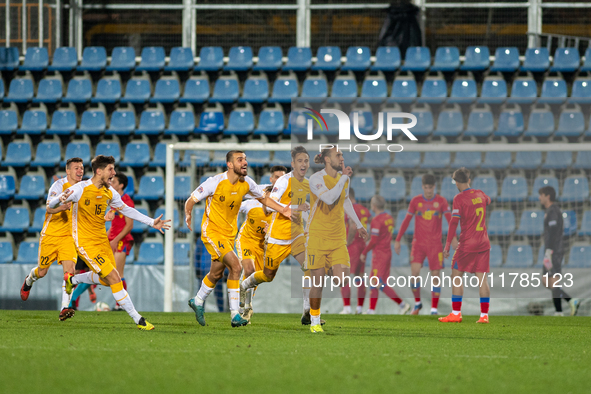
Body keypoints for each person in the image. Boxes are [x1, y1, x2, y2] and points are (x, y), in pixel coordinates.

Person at [49, 155, 170, 330]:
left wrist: (151, 222)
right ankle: (138, 320)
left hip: (102, 241)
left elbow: (127, 210)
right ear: (99, 171)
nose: (113, 173)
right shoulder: (80, 189)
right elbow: (51, 204)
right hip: (85, 242)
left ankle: (72, 279)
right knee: (115, 278)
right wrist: (59, 199)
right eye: (110, 170)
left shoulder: (109, 192)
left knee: (106, 280)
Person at [185, 151, 291, 327]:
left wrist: (282, 210)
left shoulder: (247, 183)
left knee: (216, 273)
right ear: (229, 164)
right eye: (240, 160)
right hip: (212, 232)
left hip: (228, 234)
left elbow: (264, 198)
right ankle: (235, 314)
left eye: (245, 159)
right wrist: (188, 213)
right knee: (236, 266)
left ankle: (197, 300)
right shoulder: (215, 182)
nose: (245, 163)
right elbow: (192, 198)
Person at [238, 147, 315, 324]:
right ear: (293, 164)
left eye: (306, 161)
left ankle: (307, 311)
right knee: (267, 276)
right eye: (300, 161)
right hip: (278, 238)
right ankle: (244, 285)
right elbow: (269, 206)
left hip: (296, 236)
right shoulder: (283, 182)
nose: (303, 164)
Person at [305, 147, 368, 333]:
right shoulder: (316, 179)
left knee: (342, 280)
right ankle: (314, 322)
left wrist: (358, 224)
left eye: (341, 155)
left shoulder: (343, 179)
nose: (341, 158)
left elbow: (345, 200)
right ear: (326, 159)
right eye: (338, 155)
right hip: (317, 236)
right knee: (317, 284)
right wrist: (343, 177)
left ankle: (325, 270)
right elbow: (330, 199)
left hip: (338, 238)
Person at [20, 157, 85, 321]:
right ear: (68, 171)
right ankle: (29, 280)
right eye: (76, 168)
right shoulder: (58, 185)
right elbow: (49, 207)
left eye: (82, 168)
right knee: (42, 272)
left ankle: (64, 307)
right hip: (50, 235)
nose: (80, 171)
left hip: (68, 237)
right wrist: (61, 206)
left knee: (68, 274)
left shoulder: (84, 188)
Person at [394, 174, 457, 315]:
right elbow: (406, 221)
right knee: (414, 274)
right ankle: (418, 303)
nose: (428, 190)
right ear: (423, 187)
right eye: (426, 188)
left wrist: (453, 238)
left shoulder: (441, 201)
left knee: (435, 275)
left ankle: (434, 309)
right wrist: (398, 239)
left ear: (434, 187)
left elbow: (450, 220)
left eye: (431, 188)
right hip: (418, 244)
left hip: (435, 245)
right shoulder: (416, 201)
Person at [439, 168, 491, 324]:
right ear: (469, 179)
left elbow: (454, 222)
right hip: (483, 242)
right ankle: (484, 316)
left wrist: (447, 245)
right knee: (482, 279)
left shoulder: (459, 198)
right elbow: (488, 200)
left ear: (456, 182)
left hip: (468, 243)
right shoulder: (480, 194)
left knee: (456, 276)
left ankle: (456, 313)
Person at [237, 165, 287, 322]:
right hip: (246, 240)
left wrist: (271, 230)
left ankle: (245, 303)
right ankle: (247, 308)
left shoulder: (283, 207)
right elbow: (234, 205)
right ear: (271, 179)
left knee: (257, 277)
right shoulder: (252, 203)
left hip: (262, 246)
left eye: (283, 177)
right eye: (277, 177)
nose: (280, 180)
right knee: (249, 269)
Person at [360, 195, 409, 314]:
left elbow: (374, 240)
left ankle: (402, 304)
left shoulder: (377, 220)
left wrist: (364, 252)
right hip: (387, 253)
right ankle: (371, 310)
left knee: (378, 283)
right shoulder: (389, 218)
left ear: (374, 206)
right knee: (375, 281)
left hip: (380, 255)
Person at [538, 186, 580, 316]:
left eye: (541, 195)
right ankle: (571, 300)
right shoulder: (550, 211)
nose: (539, 198)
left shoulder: (553, 211)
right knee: (546, 281)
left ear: (547, 196)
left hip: (553, 251)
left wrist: (549, 251)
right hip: (550, 251)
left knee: (553, 281)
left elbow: (553, 232)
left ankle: (559, 312)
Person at [340, 188, 371, 315]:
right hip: (362, 245)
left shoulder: (349, 208)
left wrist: (347, 242)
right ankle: (359, 308)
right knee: (360, 277)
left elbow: (353, 226)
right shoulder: (365, 210)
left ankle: (347, 308)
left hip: (352, 246)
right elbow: (370, 225)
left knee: (343, 276)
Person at [107, 172, 135, 310]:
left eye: (114, 182)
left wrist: (115, 240)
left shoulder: (127, 201)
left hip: (121, 241)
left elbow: (129, 225)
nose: (111, 183)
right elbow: (114, 225)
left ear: (121, 185)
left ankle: (121, 305)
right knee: (110, 273)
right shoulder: (115, 201)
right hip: (112, 240)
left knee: (118, 273)